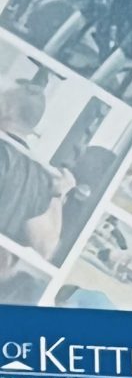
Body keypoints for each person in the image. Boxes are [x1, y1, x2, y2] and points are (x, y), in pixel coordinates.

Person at [0, 76, 74, 262]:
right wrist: (57, 196)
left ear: (6, 110)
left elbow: (44, 249)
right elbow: (46, 249)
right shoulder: (41, 178)